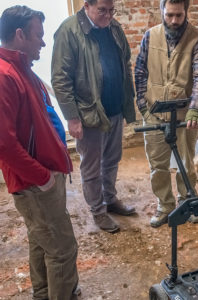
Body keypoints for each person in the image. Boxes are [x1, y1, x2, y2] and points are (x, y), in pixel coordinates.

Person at [0, 5, 79, 299]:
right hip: (35, 184)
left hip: (42, 179)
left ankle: (44, 292)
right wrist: (43, 177)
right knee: (62, 249)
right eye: (39, 36)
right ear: (20, 35)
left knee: (40, 239)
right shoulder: (5, 76)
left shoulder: (21, 70)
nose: (43, 43)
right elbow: (4, 144)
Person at [51, 0, 136, 234]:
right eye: (102, 11)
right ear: (86, 6)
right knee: (91, 167)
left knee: (111, 160)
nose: (108, 16)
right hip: (89, 114)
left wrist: (127, 101)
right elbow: (61, 79)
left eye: (112, 10)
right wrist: (72, 117)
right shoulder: (69, 31)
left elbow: (124, 63)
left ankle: (110, 199)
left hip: (114, 109)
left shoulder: (114, 27)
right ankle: (98, 210)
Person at [135, 0, 198, 228]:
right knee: (158, 165)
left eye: (179, 15)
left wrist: (195, 109)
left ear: (186, 11)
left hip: (183, 117)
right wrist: (142, 106)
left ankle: (188, 202)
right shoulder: (150, 36)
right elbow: (140, 72)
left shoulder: (197, 39)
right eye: (169, 15)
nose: (174, 21)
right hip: (155, 113)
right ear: (162, 11)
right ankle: (165, 205)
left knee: (186, 164)